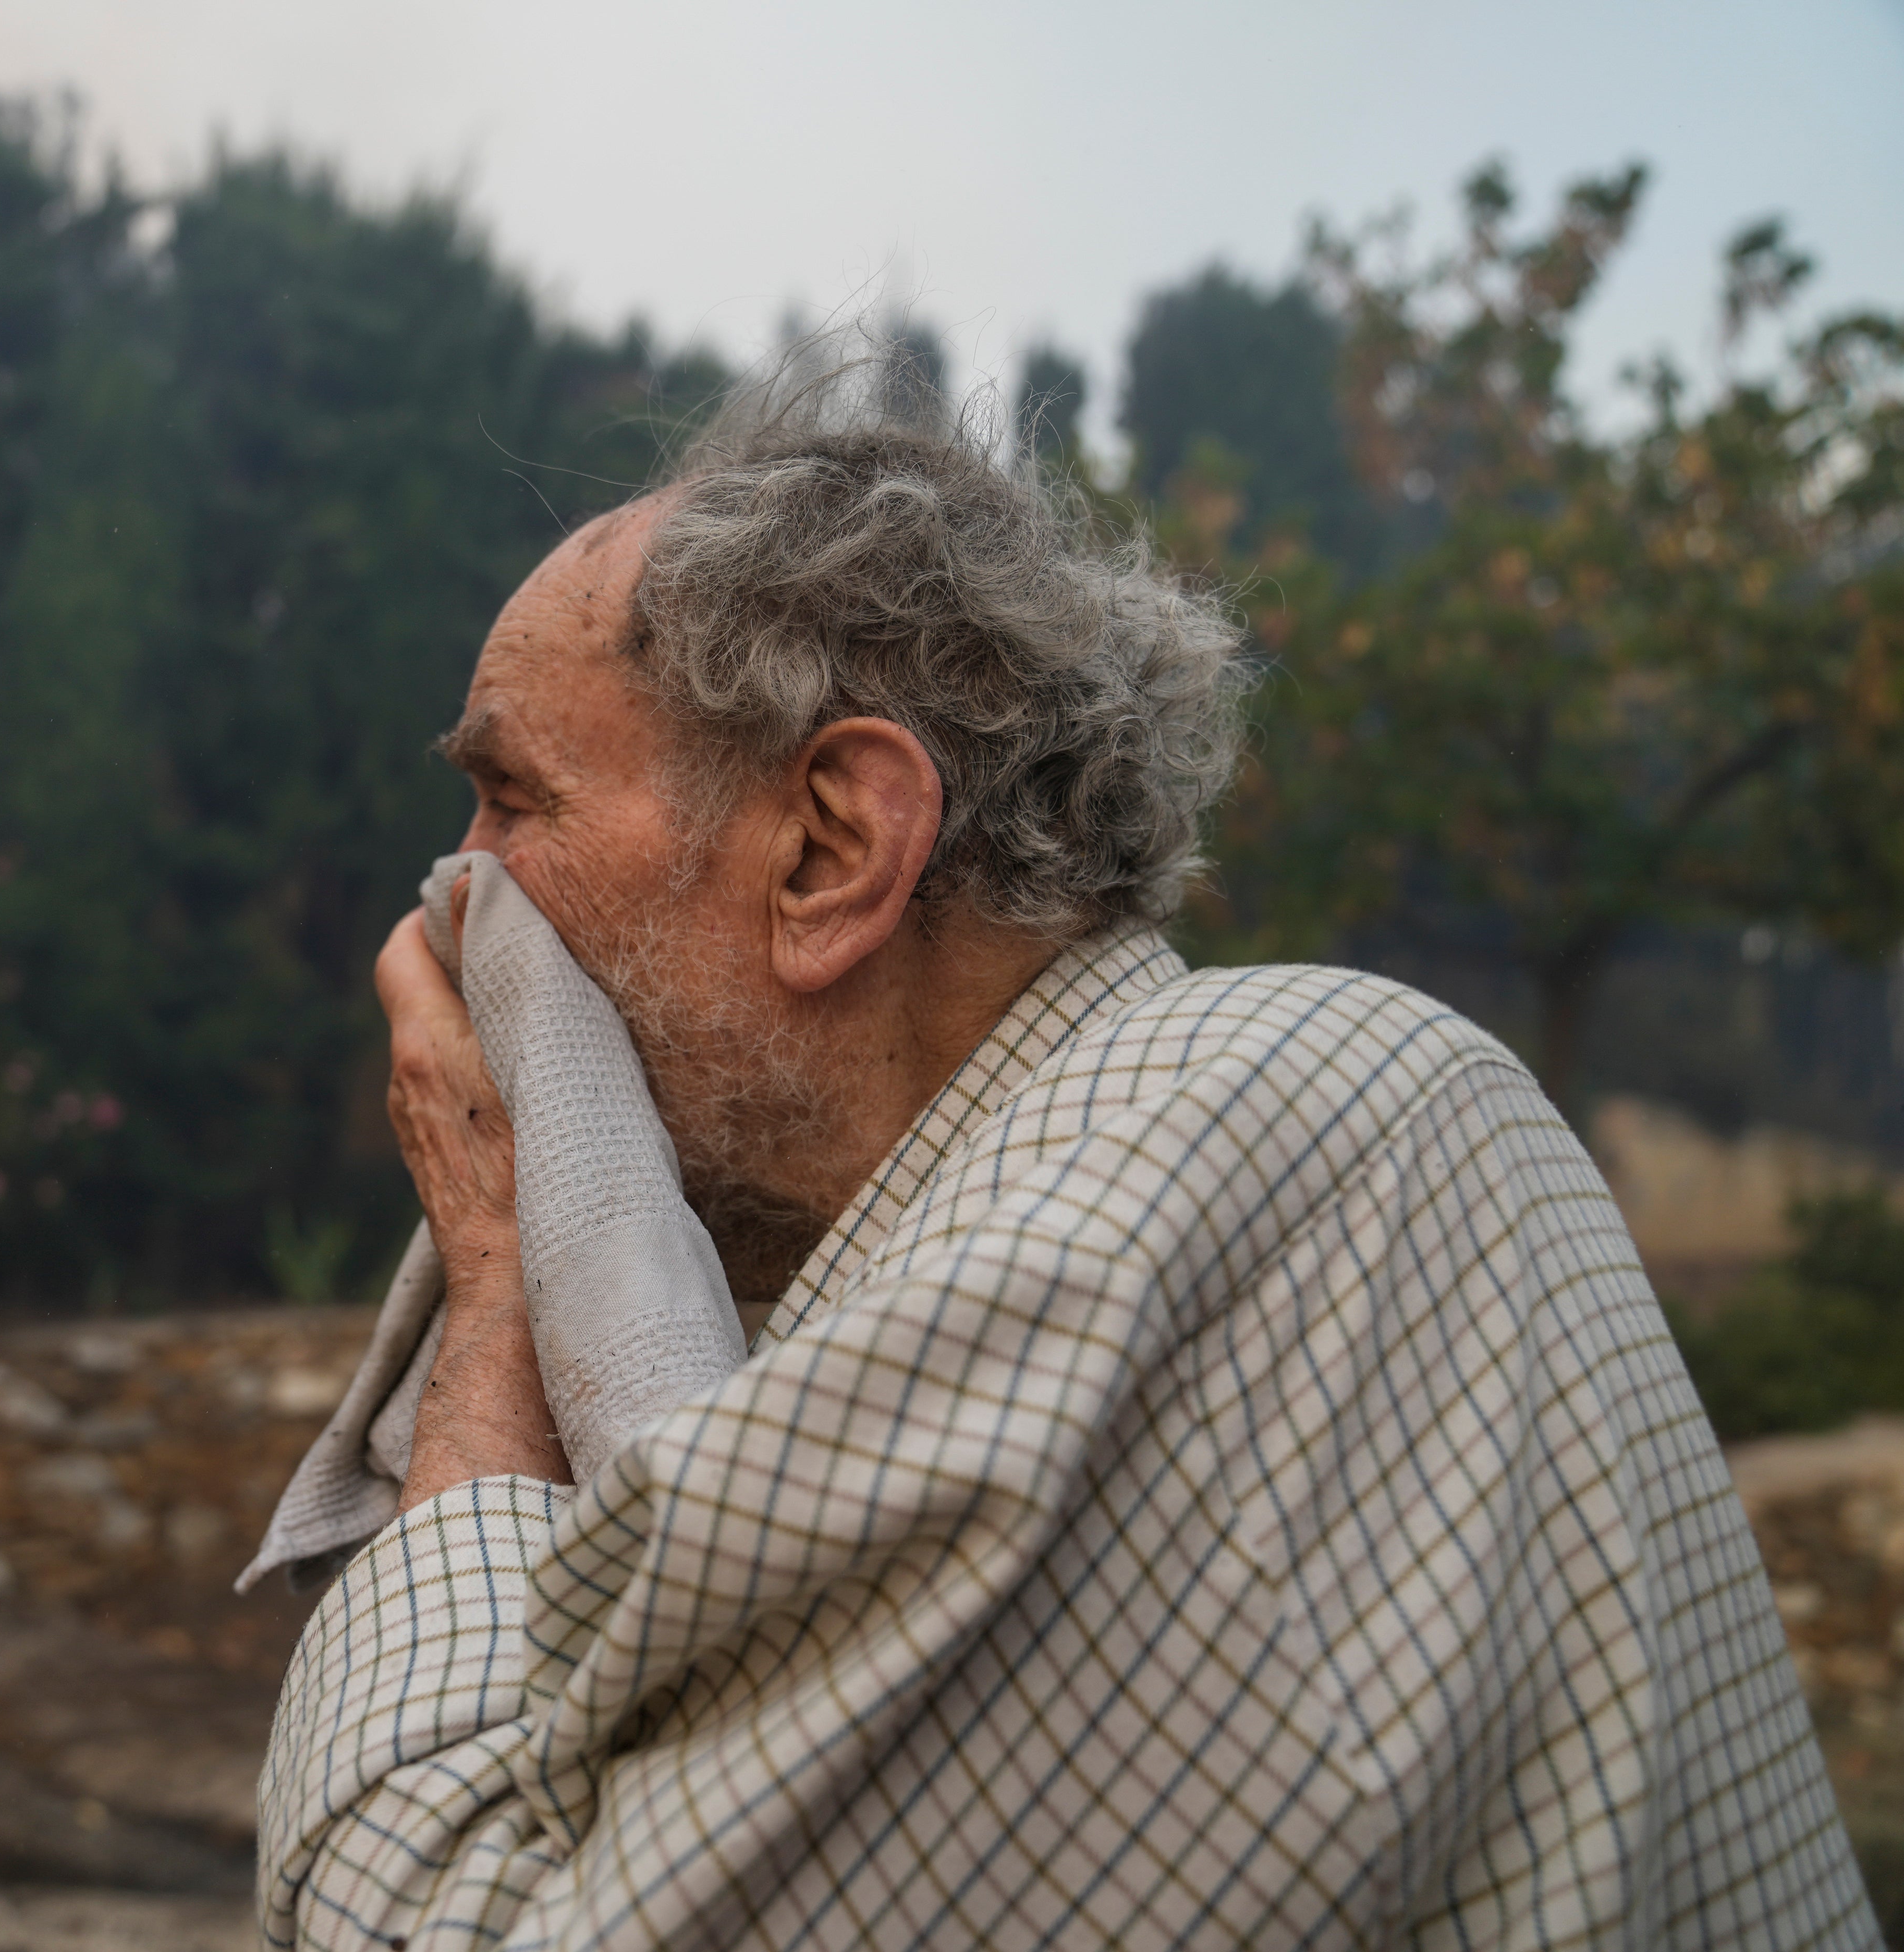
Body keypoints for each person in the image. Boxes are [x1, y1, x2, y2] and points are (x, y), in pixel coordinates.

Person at [253, 356, 1875, 1950]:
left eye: (510, 803)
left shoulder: (1160, 1195)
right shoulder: (1249, 1123)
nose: (451, 908)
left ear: (831, 845)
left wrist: (497, 1297)